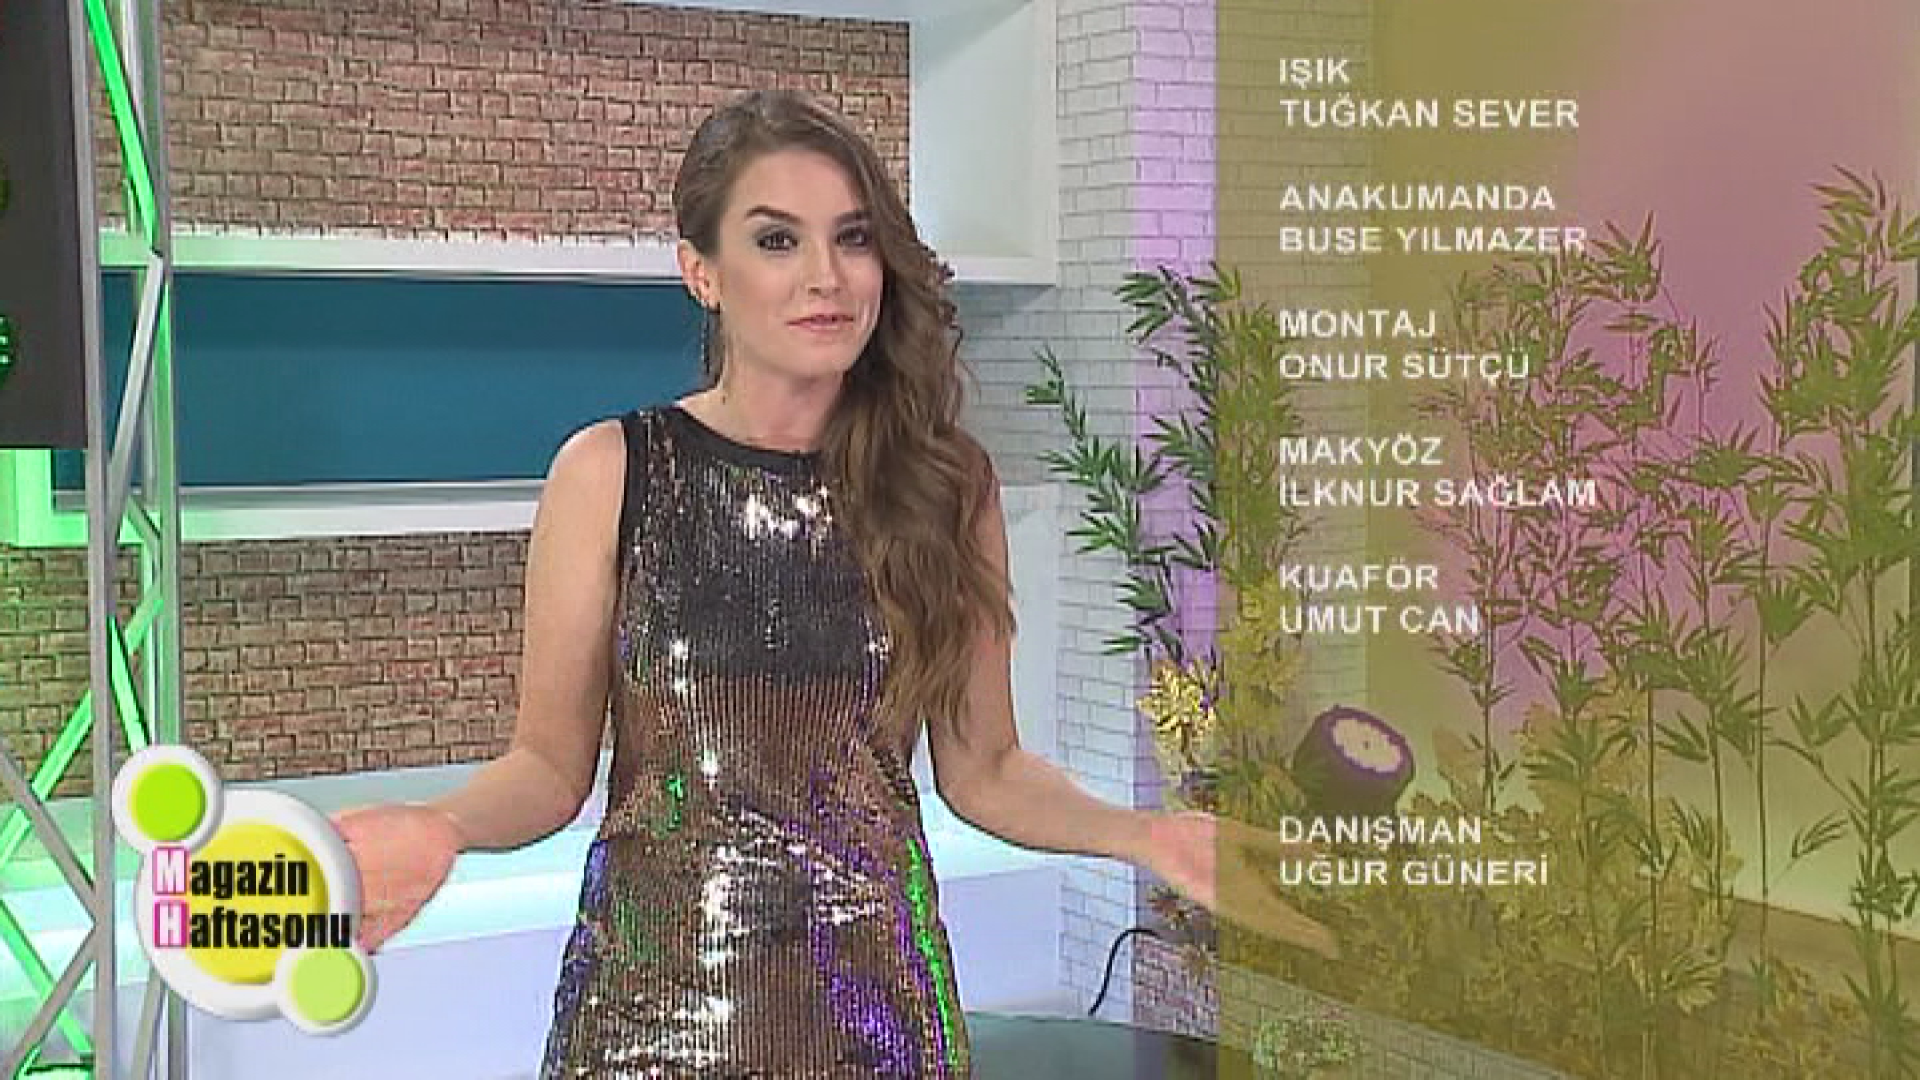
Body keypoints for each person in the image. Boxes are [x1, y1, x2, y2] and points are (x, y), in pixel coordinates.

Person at [332, 88, 1334, 1078]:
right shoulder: (612, 470)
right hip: (645, 1025)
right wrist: (443, 825)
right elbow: (548, 770)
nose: (827, 276)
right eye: (777, 240)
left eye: (854, 239)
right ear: (701, 272)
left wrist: (1145, 834)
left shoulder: (944, 486)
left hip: (879, 1023)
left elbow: (985, 769)